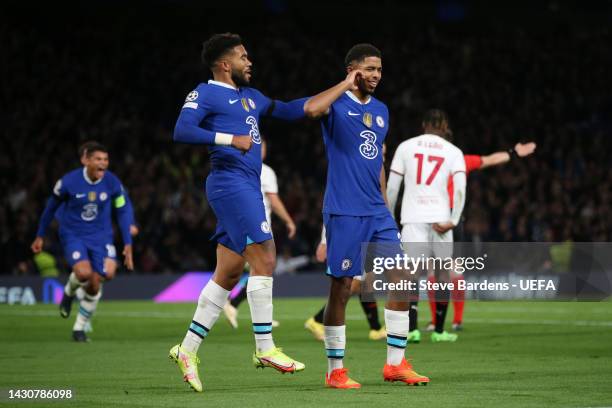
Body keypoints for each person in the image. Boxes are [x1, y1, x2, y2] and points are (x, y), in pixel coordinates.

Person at [169, 33, 309, 393]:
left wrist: (339, 89)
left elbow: (292, 109)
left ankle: (187, 350)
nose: (251, 62)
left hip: (246, 184)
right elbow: (182, 130)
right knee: (265, 258)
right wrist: (229, 139)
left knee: (228, 273)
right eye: (244, 57)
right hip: (230, 183)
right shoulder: (206, 91)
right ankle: (265, 348)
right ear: (225, 64)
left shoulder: (251, 97)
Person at [304, 43, 429, 388]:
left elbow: (378, 164)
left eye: (380, 70)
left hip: (376, 210)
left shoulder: (383, 111)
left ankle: (396, 363)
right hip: (344, 209)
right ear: (353, 69)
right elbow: (311, 110)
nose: (376, 76)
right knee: (341, 288)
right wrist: (345, 84)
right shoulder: (336, 103)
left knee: (403, 278)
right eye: (370, 69)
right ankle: (335, 370)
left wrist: (386, 207)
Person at [423, 140, 537, 334]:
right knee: (451, 270)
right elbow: (490, 159)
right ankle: (455, 321)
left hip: (434, 217)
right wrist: (513, 153)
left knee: (434, 271)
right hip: (453, 218)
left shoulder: (425, 161)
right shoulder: (460, 159)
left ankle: (437, 322)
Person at [31, 142, 134, 342]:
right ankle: (69, 294)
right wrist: (40, 235)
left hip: (102, 236)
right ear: (85, 160)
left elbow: (122, 209)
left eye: (105, 159)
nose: (103, 163)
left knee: (100, 280)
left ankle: (78, 329)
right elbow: (50, 208)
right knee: (84, 273)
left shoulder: (112, 183)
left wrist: (128, 242)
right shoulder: (68, 183)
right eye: (98, 159)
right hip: (74, 234)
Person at [387, 109, 466, 343]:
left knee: (410, 274)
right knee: (442, 273)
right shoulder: (453, 152)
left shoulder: (405, 146)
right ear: (444, 126)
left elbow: (392, 187)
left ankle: (411, 330)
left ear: (424, 124)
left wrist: (389, 216)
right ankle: (440, 331)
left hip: (412, 217)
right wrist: (454, 218)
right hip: (441, 218)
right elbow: (460, 188)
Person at [223, 139, 296, 329]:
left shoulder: (238, 168)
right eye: (259, 146)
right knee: (263, 269)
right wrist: (288, 220)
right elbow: (274, 200)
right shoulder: (265, 171)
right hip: (259, 227)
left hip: (240, 224)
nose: (261, 150)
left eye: (263, 147)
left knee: (251, 269)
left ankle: (235, 305)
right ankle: (236, 305)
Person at [304, 225, 386, 341]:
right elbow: (330, 211)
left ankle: (375, 329)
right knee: (353, 285)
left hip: (368, 234)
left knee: (366, 283)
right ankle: (317, 320)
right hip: (354, 237)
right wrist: (324, 241)